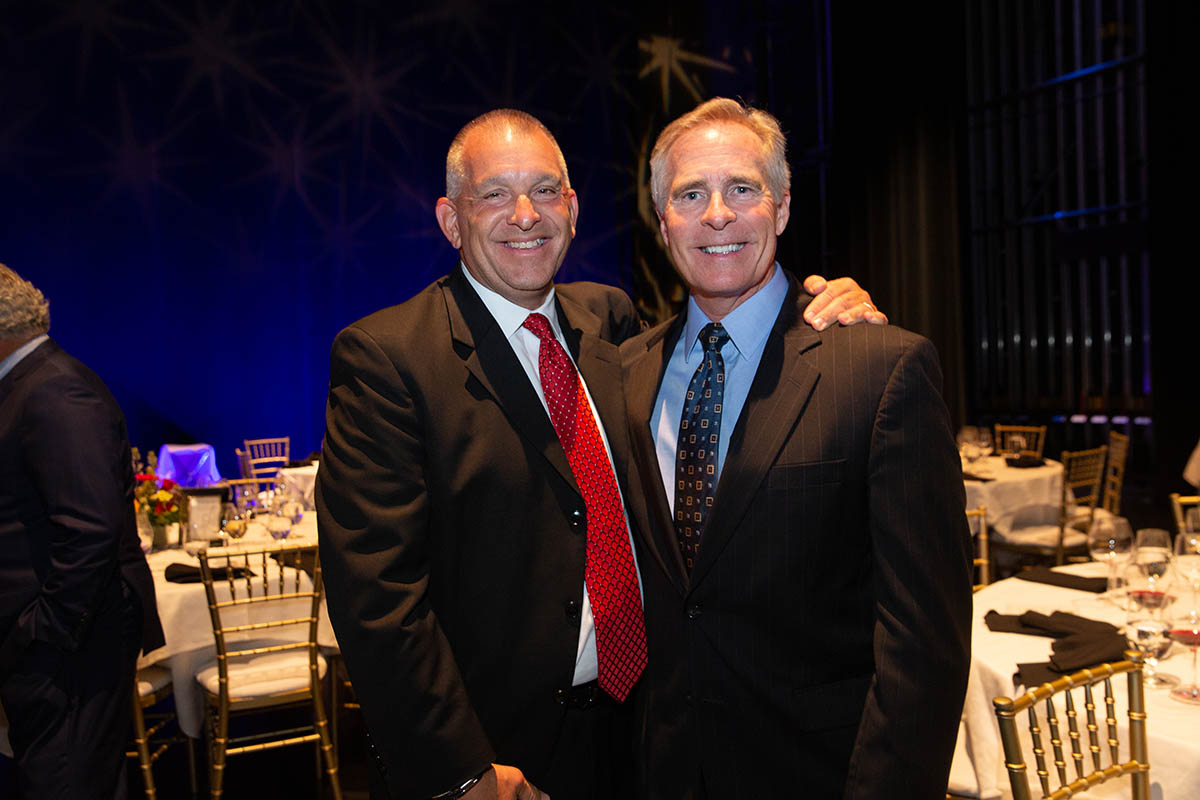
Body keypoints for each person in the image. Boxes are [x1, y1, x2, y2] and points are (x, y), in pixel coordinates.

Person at [315, 109, 881, 800]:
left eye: (546, 190)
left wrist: (819, 312)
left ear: (574, 209)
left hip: (645, 732)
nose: (525, 215)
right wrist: (459, 769)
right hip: (497, 754)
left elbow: (725, 358)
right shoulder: (388, 358)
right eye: (495, 194)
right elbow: (376, 599)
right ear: (450, 220)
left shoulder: (611, 323)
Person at [620, 98, 971, 799]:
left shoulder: (877, 369)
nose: (717, 214)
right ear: (664, 224)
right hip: (658, 771)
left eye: (742, 189)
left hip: (819, 774)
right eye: (691, 194)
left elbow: (923, 641)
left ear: (780, 208)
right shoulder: (624, 374)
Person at [0, 264, 165, 799]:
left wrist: (40, 631)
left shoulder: (53, 390)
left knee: (66, 783)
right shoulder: (33, 386)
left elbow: (91, 529)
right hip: (62, 641)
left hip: (68, 646)